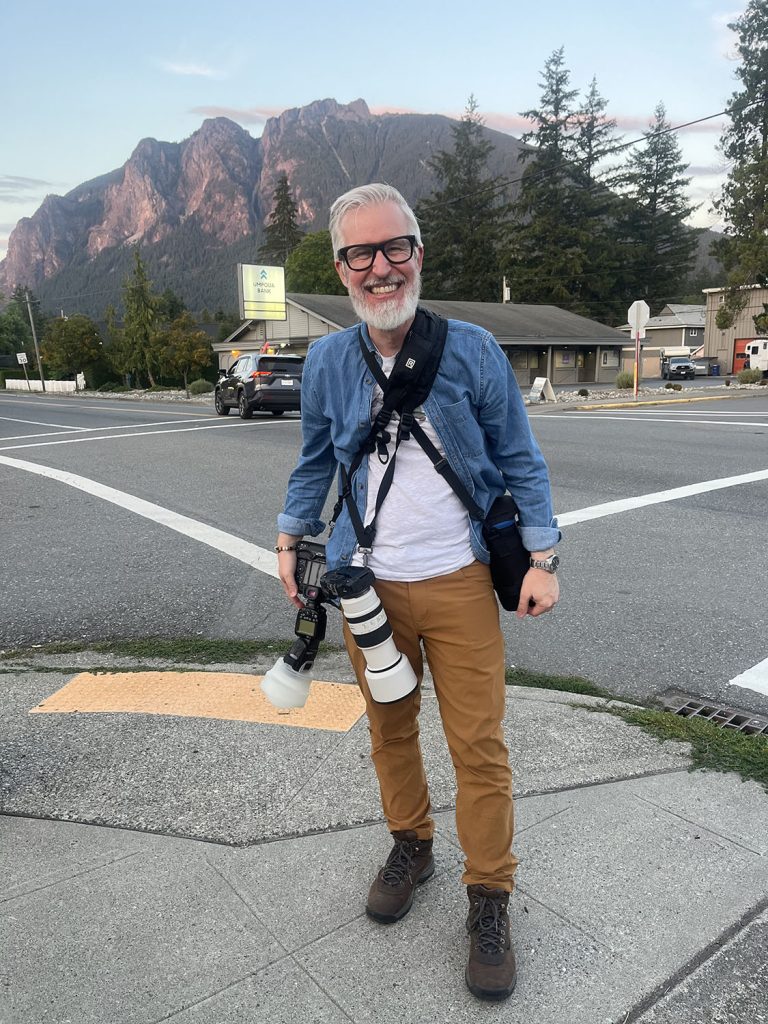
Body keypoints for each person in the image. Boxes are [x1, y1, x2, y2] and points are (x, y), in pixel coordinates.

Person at [275, 183, 560, 1001]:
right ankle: (412, 843)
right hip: (367, 585)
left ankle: (490, 896)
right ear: (340, 268)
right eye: (360, 254)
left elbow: (519, 458)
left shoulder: (469, 349)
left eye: (394, 247)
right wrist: (292, 536)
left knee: (479, 746)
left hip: (463, 580)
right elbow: (316, 463)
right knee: (389, 731)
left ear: (418, 254)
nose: (379, 267)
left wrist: (542, 556)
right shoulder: (329, 360)